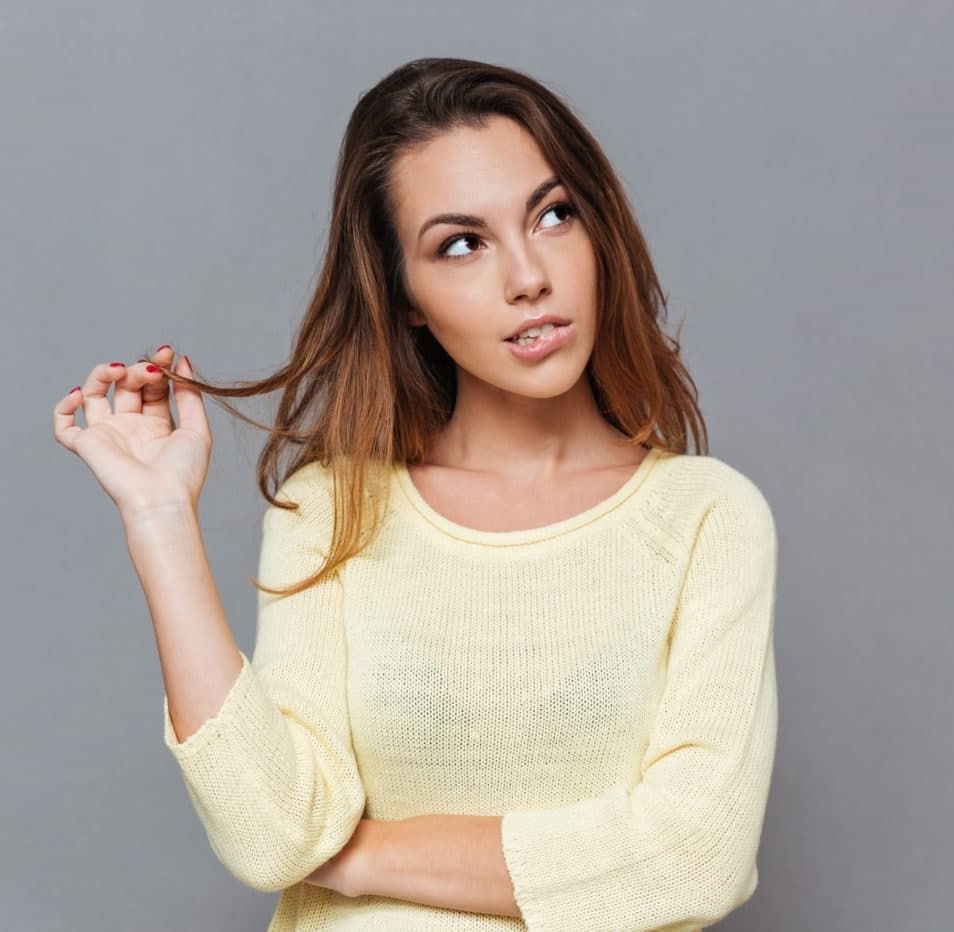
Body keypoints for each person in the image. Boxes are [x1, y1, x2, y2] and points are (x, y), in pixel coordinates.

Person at [53, 57, 779, 931]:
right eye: (461, 243)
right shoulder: (333, 510)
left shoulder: (705, 516)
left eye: (554, 215)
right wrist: (160, 518)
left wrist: (350, 855)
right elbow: (268, 834)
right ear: (404, 296)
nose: (528, 277)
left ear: (601, 234)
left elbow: (696, 857)